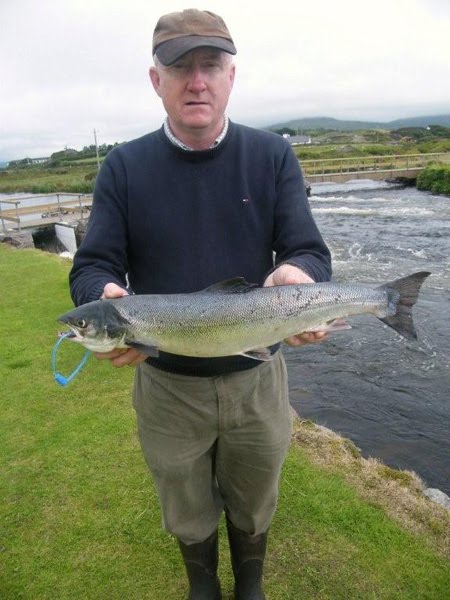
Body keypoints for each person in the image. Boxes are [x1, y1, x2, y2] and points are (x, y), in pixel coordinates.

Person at [69, 8, 332, 600]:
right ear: (154, 79)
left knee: (256, 492)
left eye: (210, 65)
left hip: (257, 376)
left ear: (231, 76)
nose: (197, 81)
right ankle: (203, 585)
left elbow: (308, 251)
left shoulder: (271, 156)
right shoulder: (123, 167)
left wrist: (300, 275)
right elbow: (92, 267)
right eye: (179, 66)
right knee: (183, 500)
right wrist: (101, 298)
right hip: (166, 385)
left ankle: (252, 584)